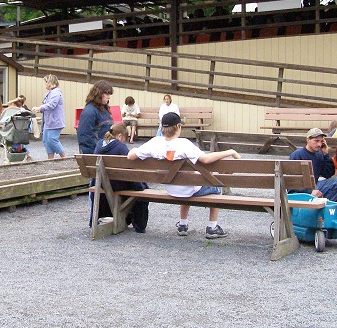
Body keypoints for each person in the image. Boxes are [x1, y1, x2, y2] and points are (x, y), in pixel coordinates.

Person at [128, 111, 241, 239]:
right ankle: (212, 226)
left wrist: (134, 149)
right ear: (178, 127)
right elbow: (205, 159)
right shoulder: (184, 144)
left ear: (162, 128)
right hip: (187, 189)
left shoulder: (154, 142)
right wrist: (230, 152)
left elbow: (131, 156)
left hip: (171, 188)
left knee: (183, 179)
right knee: (216, 186)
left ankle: (183, 224)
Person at [91, 123, 149, 233]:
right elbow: (130, 169)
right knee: (142, 190)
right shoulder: (120, 147)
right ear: (120, 136)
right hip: (118, 184)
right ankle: (139, 225)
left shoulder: (99, 145)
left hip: (102, 184)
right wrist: (141, 186)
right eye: (125, 138)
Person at [288, 128, 337, 199]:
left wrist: (326, 155)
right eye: (316, 141)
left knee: (336, 181)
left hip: (314, 187)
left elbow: (328, 174)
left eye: (321, 141)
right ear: (308, 140)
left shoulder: (319, 155)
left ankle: (323, 205)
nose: (319, 144)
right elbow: (292, 182)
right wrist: (309, 191)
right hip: (299, 192)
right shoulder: (297, 155)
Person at [32, 74, 66, 159]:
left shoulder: (56, 93)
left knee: (52, 139)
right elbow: (46, 105)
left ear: (50, 83)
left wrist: (40, 108)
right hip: (48, 122)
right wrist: (40, 109)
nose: (45, 84)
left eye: (46, 82)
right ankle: (50, 159)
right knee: (46, 141)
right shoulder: (48, 94)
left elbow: (51, 105)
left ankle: (64, 157)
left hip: (55, 122)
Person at [77, 80, 114, 154]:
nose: (109, 97)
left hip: (104, 150)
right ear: (99, 94)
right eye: (106, 94)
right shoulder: (89, 111)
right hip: (95, 152)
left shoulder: (103, 109)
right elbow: (85, 136)